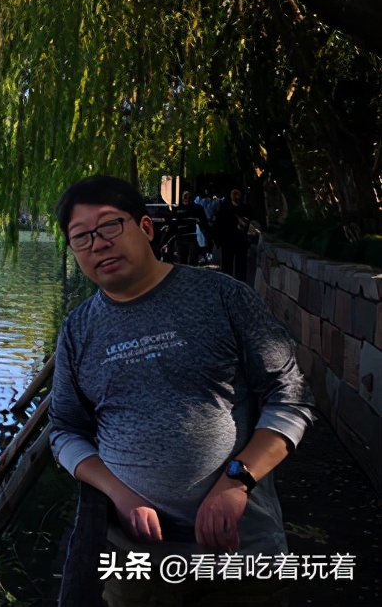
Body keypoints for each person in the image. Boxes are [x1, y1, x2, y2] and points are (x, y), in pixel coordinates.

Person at [49, 175, 314, 607]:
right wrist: (120, 493)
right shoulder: (78, 330)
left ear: (146, 228)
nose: (97, 244)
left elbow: (290, 397)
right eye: (81, 237)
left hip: (241, 548)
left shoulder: (224, 297)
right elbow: (64, 430)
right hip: (138, 560)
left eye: (110, 225)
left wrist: (237, 482)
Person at [216, 188, 258, 281]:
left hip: (241, 241)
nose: (236, 196)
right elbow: (219, 224)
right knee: (227, 266)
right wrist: (219, 240)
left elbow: (252, 222)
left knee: (241, 266)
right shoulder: (224, 208)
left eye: (237, 194)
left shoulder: (245, 208)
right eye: (234, 194)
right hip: (228, 241)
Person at [170, 191, 210, 266]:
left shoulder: (194, 208)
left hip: (188, 238)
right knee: (186, 262)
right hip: (185, 238)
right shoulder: (195, 208)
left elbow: (204, 224)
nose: (186, 200)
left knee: (188, 262)